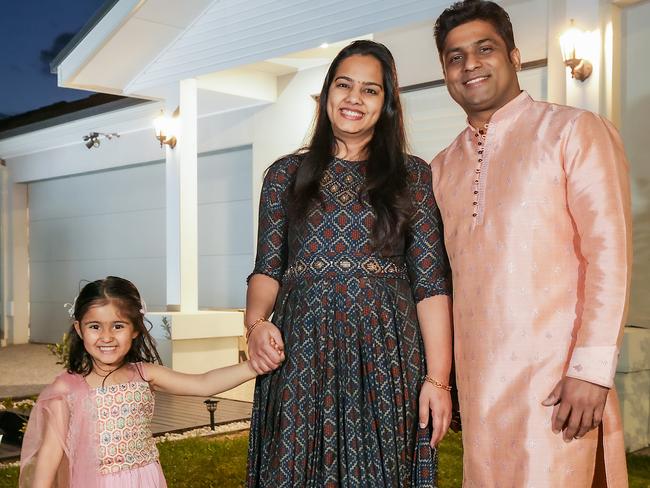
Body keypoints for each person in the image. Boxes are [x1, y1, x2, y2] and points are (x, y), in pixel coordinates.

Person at [431, 1, 631, 486]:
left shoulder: (572, 131)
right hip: (480, 388)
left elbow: (609, 253)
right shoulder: (440, 168)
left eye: (485, 48)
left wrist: (591, 369)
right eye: (455, 57)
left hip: (557, 381)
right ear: (445, 73)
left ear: (515, 56)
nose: (470, 64)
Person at [245, 40, 453, 487]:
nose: (354, 97)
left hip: (386, 354)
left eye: (370, 90)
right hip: (301, 352)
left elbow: (431, 284)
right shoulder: (285, 175)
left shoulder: (413, 176)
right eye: (344, 85)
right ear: (327, 95)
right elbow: (267, 267)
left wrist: (438, 381)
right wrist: (256, 323)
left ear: (387, 104)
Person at [19, 276, 269, 488]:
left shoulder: (144, 374)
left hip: (144, 478)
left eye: (118, 326)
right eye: (95, 326)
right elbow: (50, 454)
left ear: (135, 329)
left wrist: (253, 366)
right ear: (80, 328)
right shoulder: (66, 389)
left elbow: (203, 383)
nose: (106, 337)